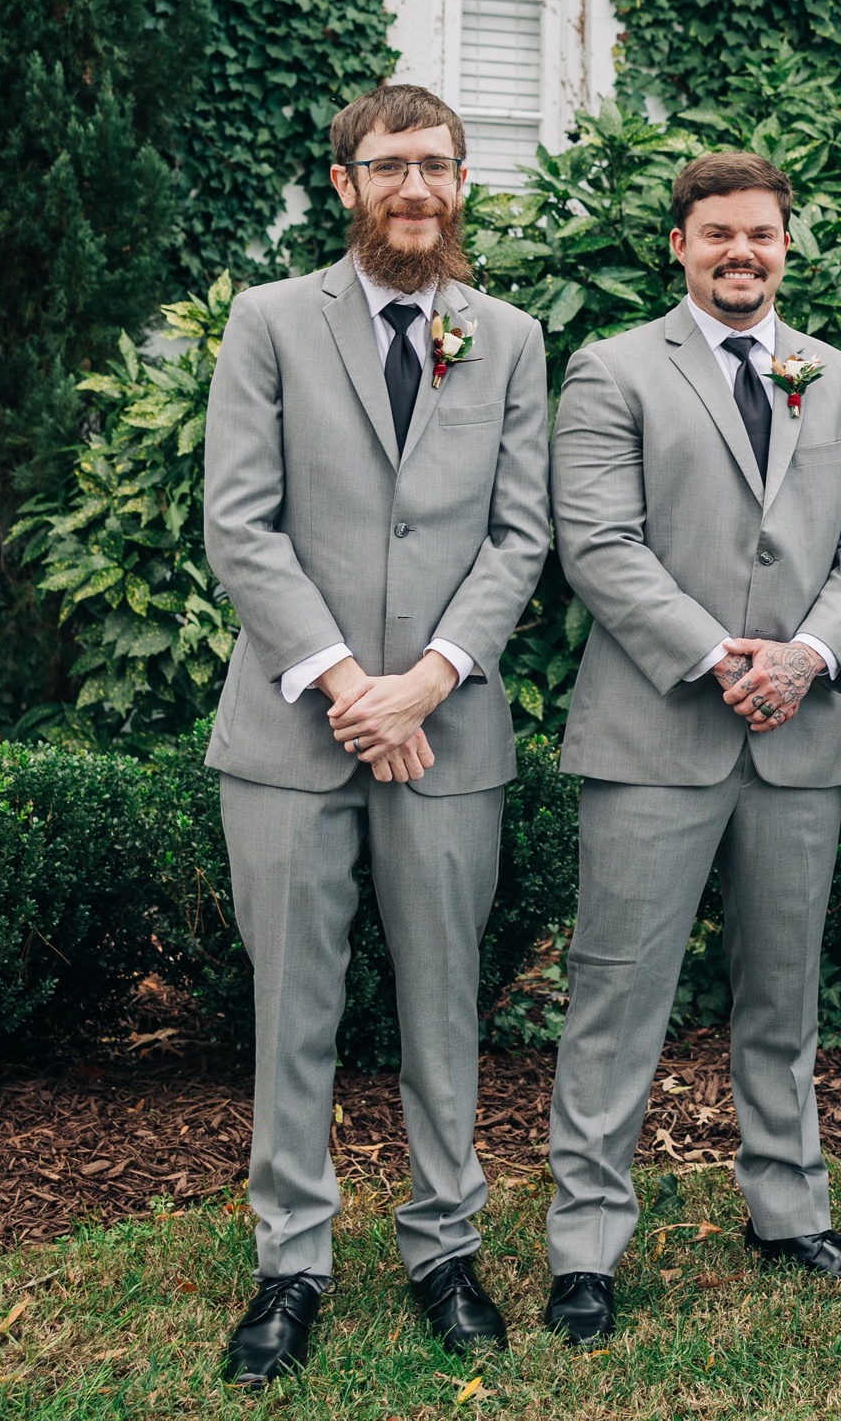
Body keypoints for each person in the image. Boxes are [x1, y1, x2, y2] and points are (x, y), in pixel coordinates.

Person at [202, 85, 551, 1385]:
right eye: (391, 164)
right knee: (293, 1007)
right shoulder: (270, 323)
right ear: (344, 182)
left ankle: (444, 1246)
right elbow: (240, 524)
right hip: (294, 729)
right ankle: (290, 1261)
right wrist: (354, 683)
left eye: (439, 164)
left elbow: (522, 532)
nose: (418, 186)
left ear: (462, 184)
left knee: (443, 1001)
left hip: (447, 730)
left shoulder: (508, 337)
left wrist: (428, 683)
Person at [538, 152, 841, 1343]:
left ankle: (788, 1209)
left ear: (785, 244)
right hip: (657, 731)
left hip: (804, 726)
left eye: (760, 234)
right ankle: (585, 1245)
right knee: (615, 993)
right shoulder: (610, 371)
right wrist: (720, 656)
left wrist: (807, 656)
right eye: (716, 235)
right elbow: (598, 543)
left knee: (784, 993)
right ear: (681, 247)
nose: (739, 252)